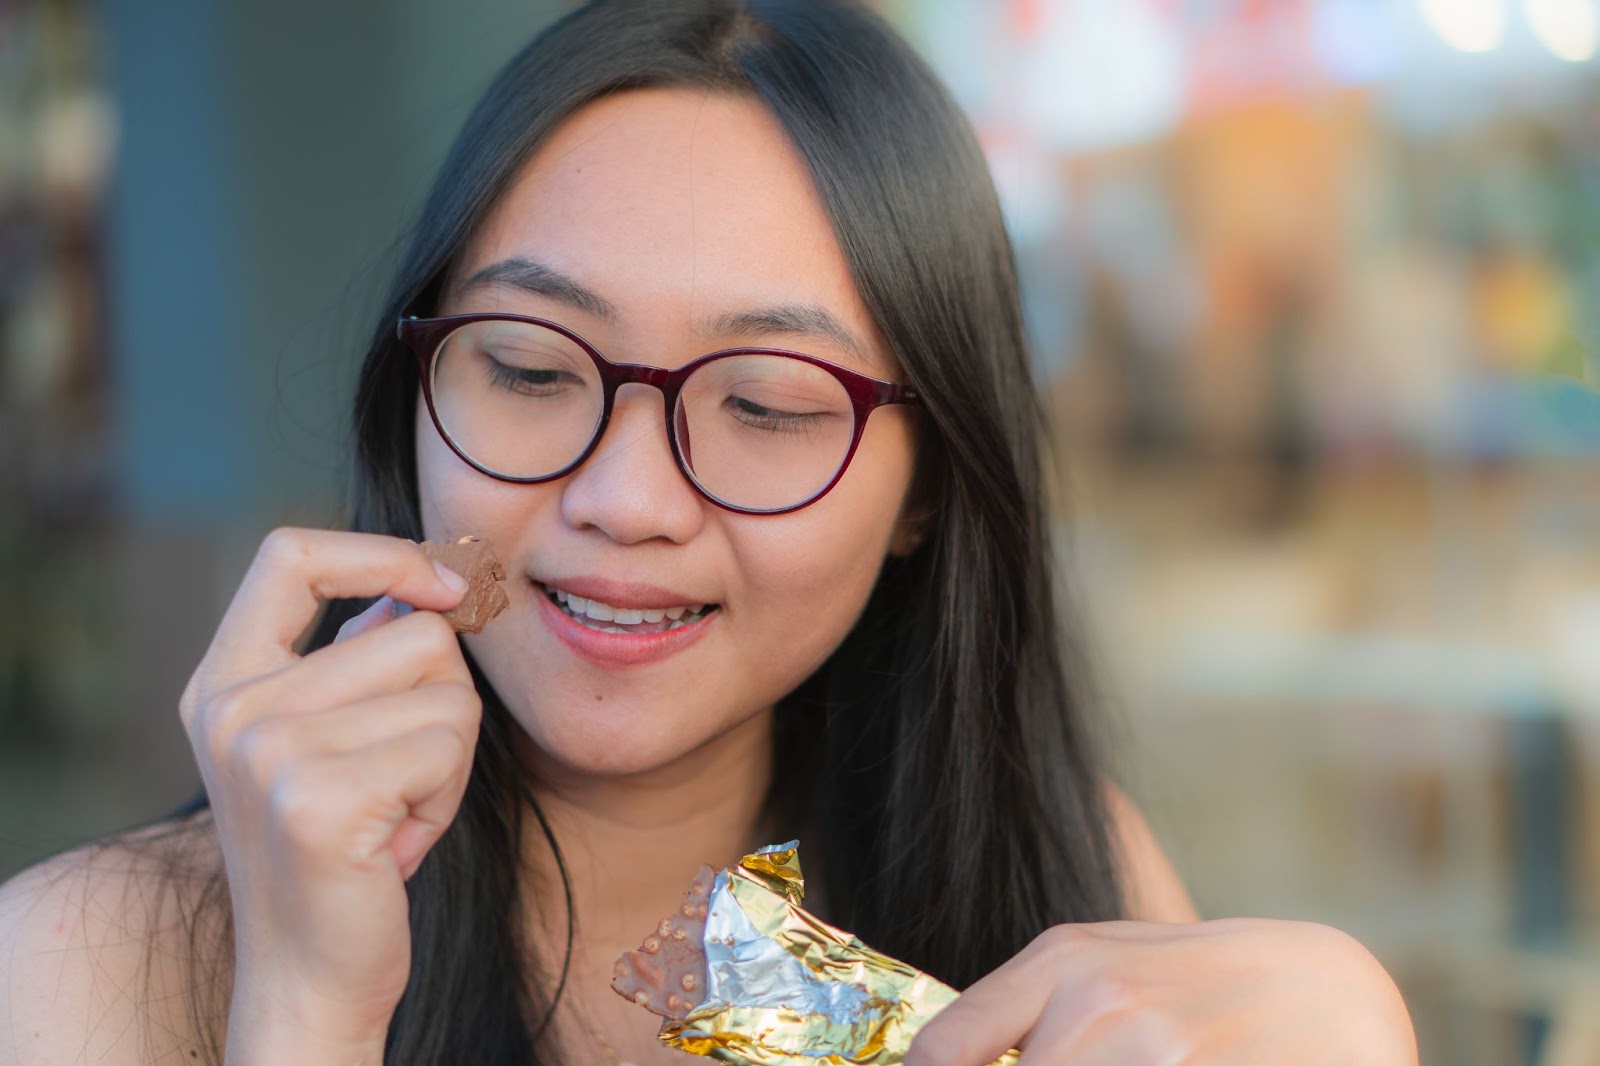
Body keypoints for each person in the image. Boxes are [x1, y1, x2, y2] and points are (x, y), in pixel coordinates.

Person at [0, 1, 1417, 1063]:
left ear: (930, 484)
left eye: (768, 403)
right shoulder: (92, 960)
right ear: (413, 397)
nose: (628, 495)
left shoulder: (1060, 863)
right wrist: (306, 1004)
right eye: (534, 369)